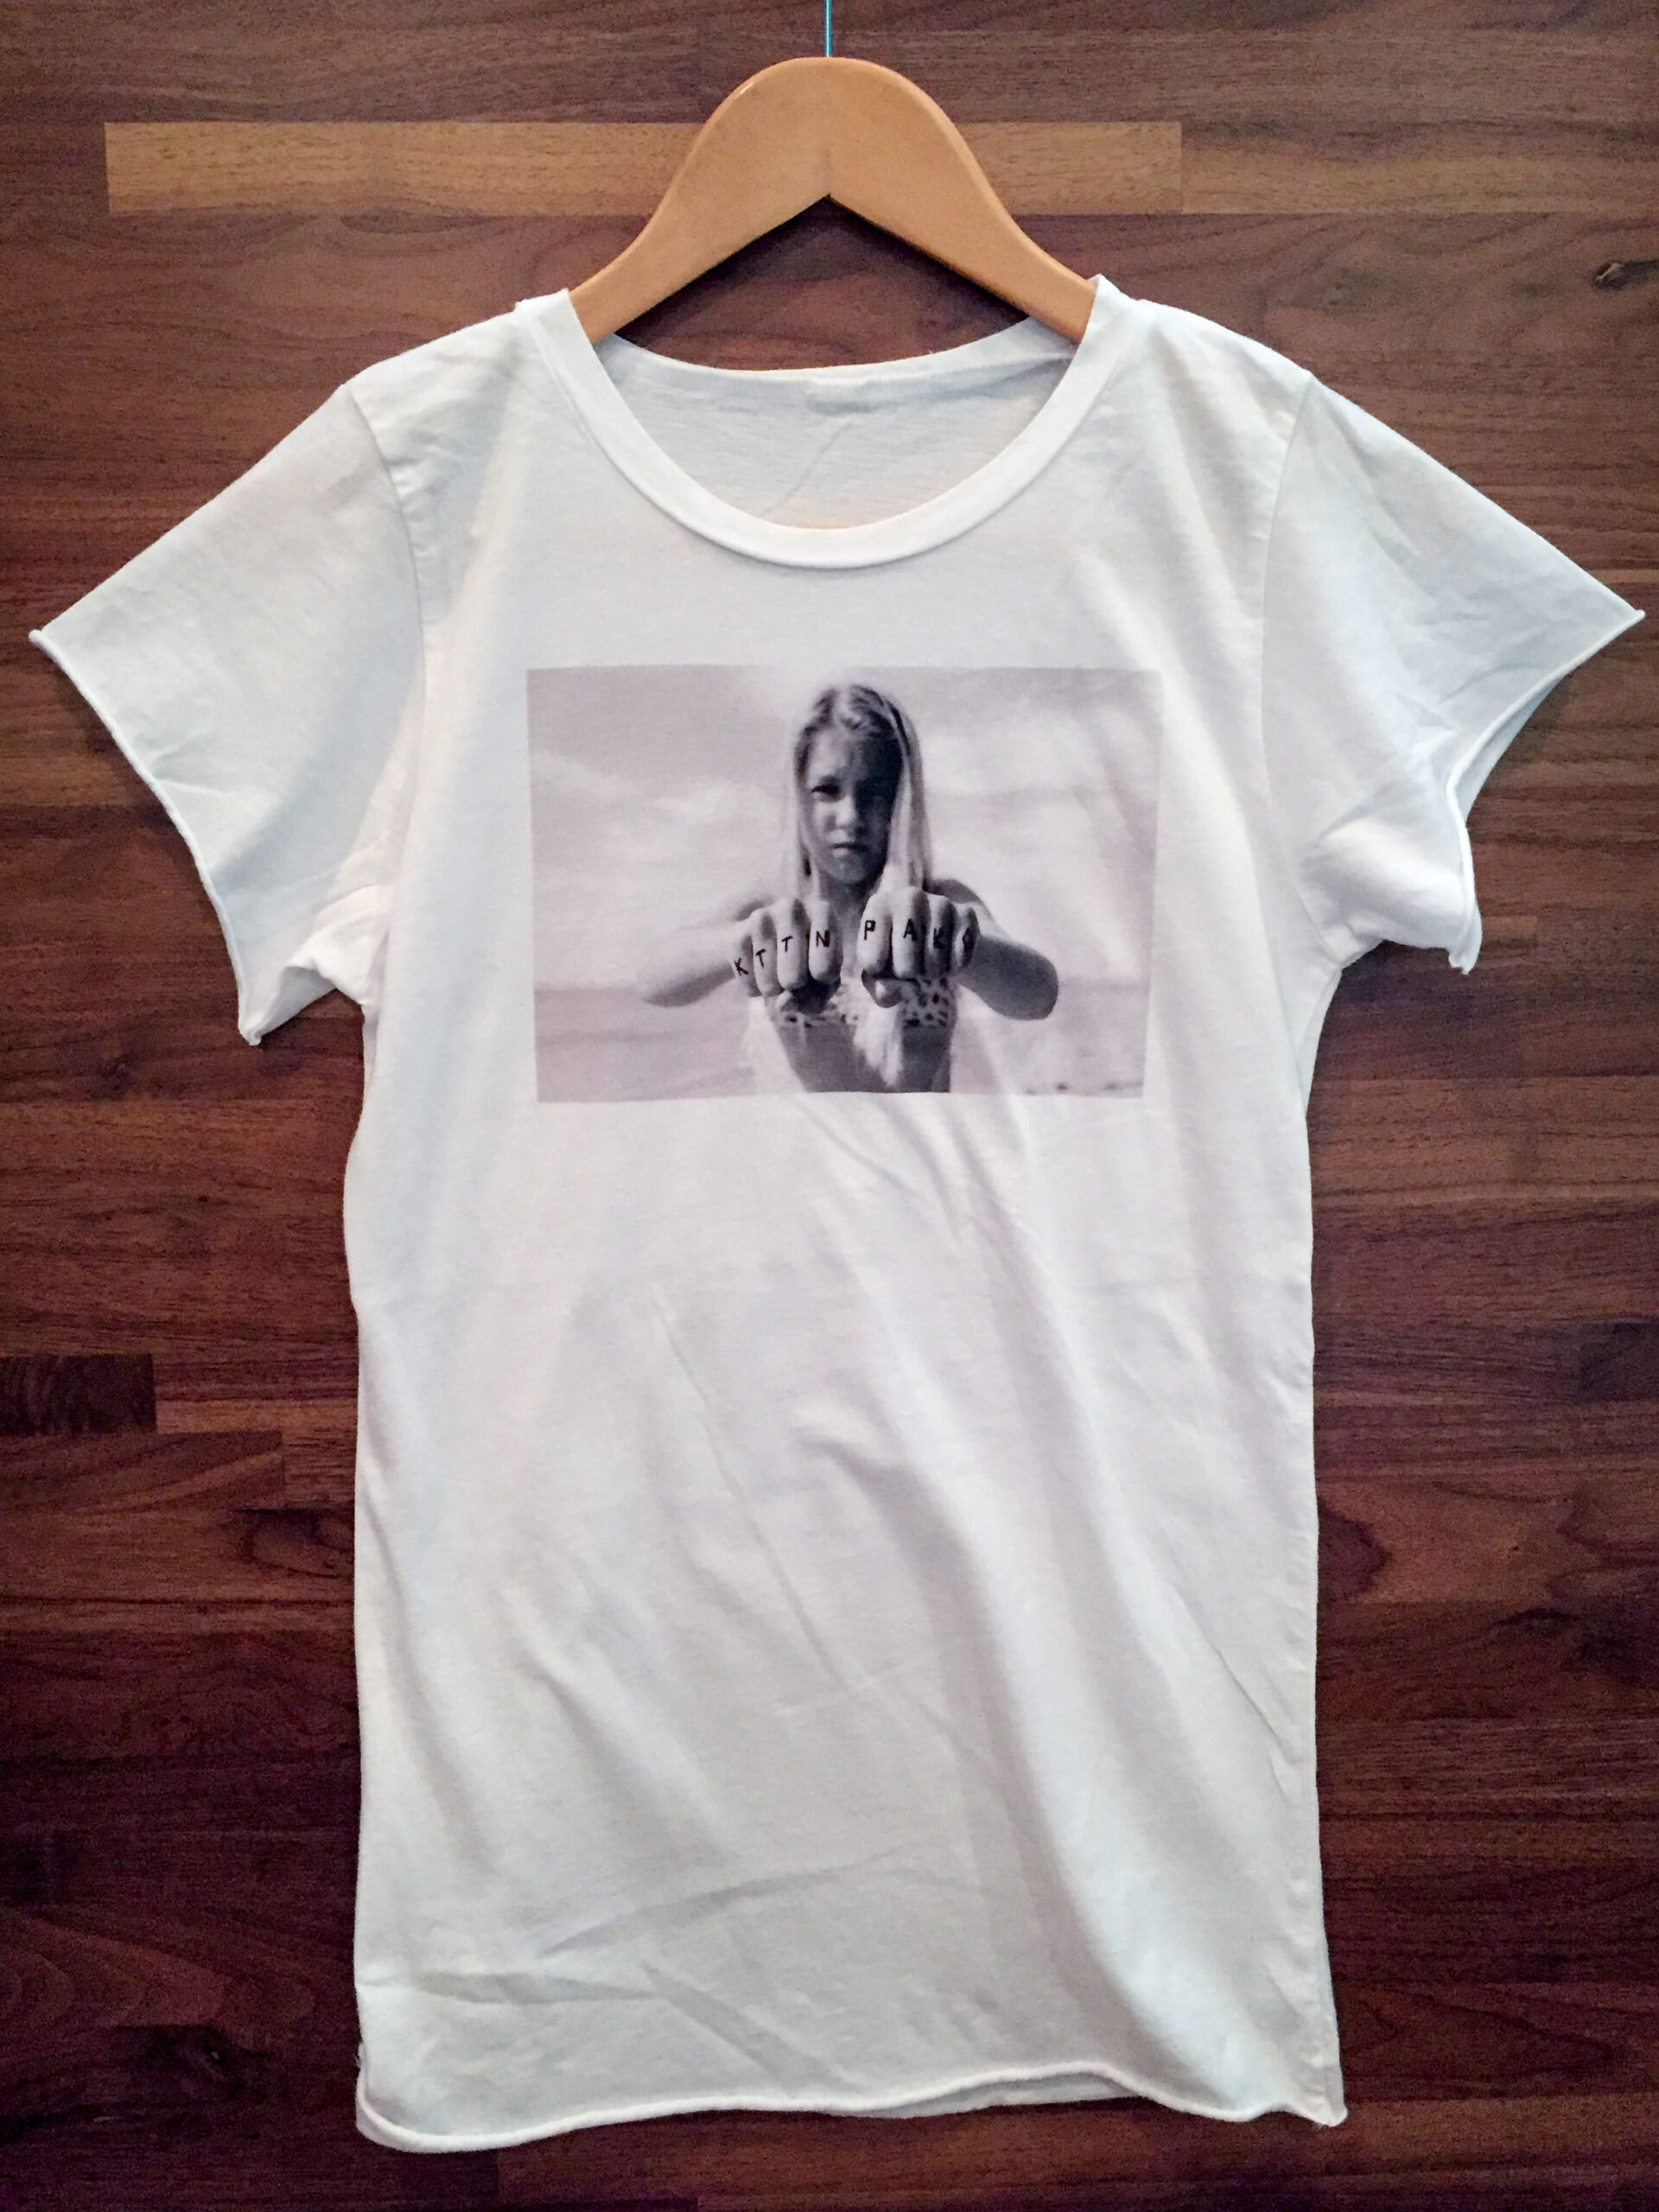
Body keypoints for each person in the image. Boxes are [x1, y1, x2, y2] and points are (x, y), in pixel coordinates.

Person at [639, 683, 1059, 1093]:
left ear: (900, 800)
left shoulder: (939, 901)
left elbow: (1038, 995)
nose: (851, 816)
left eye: (875, 793)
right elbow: (653, 980)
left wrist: (958, 942)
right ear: (798, 796)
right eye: (827, 790)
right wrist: (745, 941)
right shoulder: (769, 907)